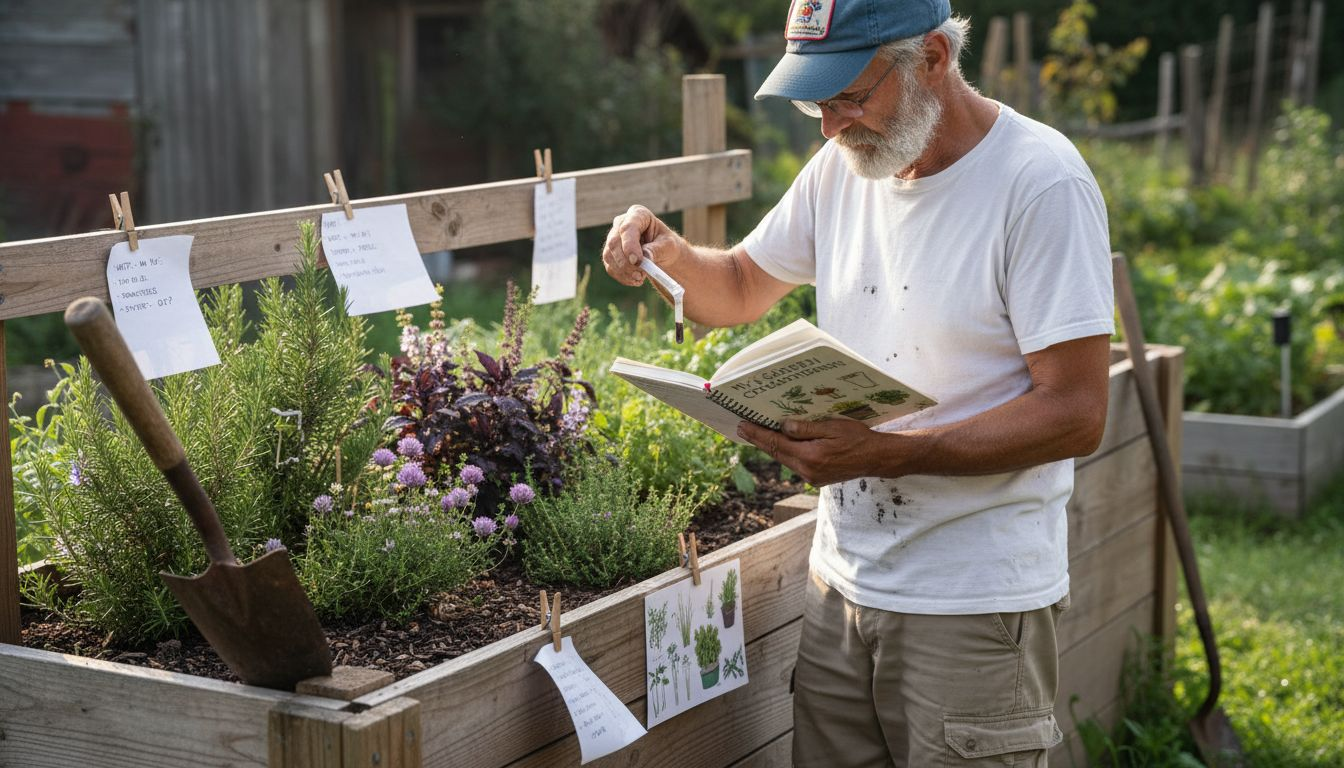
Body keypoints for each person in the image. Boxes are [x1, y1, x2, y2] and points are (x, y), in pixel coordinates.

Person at [602, 0, 1114, 764]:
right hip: (839, 588)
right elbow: (740, 284)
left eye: (849, 95)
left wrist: (890, 453)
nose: (829, 125)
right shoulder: (843, 173)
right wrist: (667, 254)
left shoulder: (1039, 185)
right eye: (817, 100)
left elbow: (1076, 414)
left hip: (972, 603)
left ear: (933, 59)